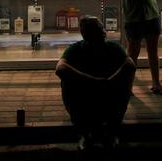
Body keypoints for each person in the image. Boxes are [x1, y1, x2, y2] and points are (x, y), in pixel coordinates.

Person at [56, 16, 136, 150]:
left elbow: (60, 68)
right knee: (125, 81)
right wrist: (107, 82)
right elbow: (130, 65)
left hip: (85, 96)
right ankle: (110, 132)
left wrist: (90, 81)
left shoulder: (75, 49)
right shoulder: (113, 48)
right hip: (108, 95)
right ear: (102, 32)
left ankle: (85, 134)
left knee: (67, 81)